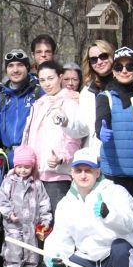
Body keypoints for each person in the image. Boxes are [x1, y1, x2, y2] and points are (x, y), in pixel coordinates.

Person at [94, 47, 133, 256]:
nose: (124, 71)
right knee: (115, 228)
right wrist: (101, 130)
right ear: (113, 69)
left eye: (130, 66)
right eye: (119, 66)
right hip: (115, 175)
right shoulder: (105, 97)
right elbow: (101, 118)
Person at [22, 60, 90, 211]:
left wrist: (61, 157)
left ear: (60, 77)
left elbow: (74, 138)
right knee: (38, 222)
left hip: (58, 174)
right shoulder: (38, 104)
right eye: (42, 80)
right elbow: (29, 136)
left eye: (50, 78)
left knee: (57, 220)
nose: (47, 84)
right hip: (35, 173)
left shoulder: (70, 103)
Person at [0, 146, 52, 267]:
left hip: (31, 226)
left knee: (30, 252)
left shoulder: (37, 184)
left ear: (32, 166)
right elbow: (2, 200)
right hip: (13, 225)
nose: (23, 170)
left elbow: (44, 203)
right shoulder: (9, 182)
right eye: (20, 167)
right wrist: (9, 213)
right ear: (15, 166)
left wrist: (45, 220)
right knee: (14, 251)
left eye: (27, 167)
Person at [0, 49, 42, 151]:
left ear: (27, 67)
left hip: (35, 153)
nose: (15, 70)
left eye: (20, 65)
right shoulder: (0, 98)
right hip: (10, 155)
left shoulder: (39, 93)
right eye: (10, 66)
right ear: (6, 70)